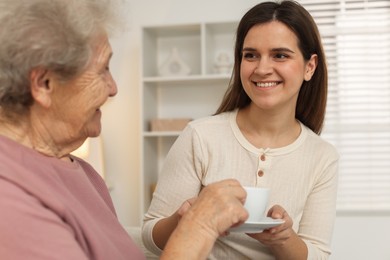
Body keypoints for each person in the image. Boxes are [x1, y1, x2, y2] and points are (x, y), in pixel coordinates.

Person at [0, 0, 249, 259]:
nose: (113, 88)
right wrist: (199, 226)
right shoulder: (7, 198)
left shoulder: (84, 173)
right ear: (44, 84)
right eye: (103, 69)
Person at [142, 1, 339, 259]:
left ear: (309, 67)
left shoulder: (322, 156)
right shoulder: (200, 136)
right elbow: (149, 237)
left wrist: (283, 239)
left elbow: (319, 255)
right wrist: (189, 219)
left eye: (280, 55)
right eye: (251, 55)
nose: (261, 68)